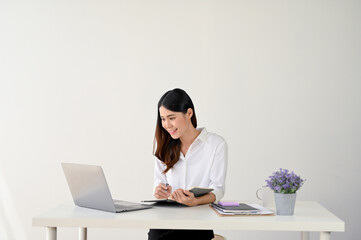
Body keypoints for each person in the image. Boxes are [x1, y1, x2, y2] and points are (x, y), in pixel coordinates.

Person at [148, 88, 228, 240]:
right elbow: (158, 184)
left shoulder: (216, 144)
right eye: (163, 119)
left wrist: (195, 200)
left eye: (171, 118)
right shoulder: (164, 146)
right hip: (165, 220)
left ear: (189, 113)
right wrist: (159, 191)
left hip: (198, 221)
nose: (166, 125)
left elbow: (218, 190)